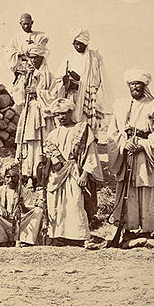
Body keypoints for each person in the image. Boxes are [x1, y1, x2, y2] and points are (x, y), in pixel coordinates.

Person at [107, 68, 154, 241]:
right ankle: (127, 228)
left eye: (139, 84)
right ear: (128, 86)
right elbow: (113, 132)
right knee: (128, 189)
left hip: (145, 154)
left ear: (145, 86)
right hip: (126, 152)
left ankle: (148, 230)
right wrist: (123, 143)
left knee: (146, 187)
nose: (136, 87)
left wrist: (143, 145)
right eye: (133, 84)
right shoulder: (120, 105)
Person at [43, 98, 104, 246]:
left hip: (75, 173)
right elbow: (48, 155)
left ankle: (79, 236)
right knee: (57, 204)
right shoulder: (53, 134)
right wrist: (54, 162)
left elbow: (91, 153)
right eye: (57, 115)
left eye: (63, 113)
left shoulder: (82, 129)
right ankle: (58, 236)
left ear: (70, 112)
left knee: (75, 202)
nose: (61, 117)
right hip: (57, 174)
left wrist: (85, 174)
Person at [11, 44, 58, 189]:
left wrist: (38, 92)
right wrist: (25, 82)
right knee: (28, 143)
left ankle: (41, 175)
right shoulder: (26, 74)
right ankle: (28, 175)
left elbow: (54, 95)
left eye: (35, 58)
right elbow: (18, 95)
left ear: (41, 58)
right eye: (30, 58)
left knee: (41, 144)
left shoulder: (49, 75)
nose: (33, 61)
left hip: (42, 114)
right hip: (29, 112)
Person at [55, 29, 112, 139]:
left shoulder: (95, 58)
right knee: (72, 124)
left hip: (89, 96)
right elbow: (57, 78)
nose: (79, 47)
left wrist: (90, 89)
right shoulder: (69, 57)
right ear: (73, 44)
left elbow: (102, 79)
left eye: (81, 44)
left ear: (86, 44)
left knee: (87, 125)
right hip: (72, 96)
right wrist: (65, 81)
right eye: (76, 44)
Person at [0, 164, 43, 246]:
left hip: (20, 223)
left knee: (38, 211)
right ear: (4, 178)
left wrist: (22, 205)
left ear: (18, 177)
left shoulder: (25, 192)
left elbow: (29, 209)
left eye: (13, 177)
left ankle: (25, 240)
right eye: (8, 177)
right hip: (3, 221)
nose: (10, 180)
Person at [4, 13, 50, 86]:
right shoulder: (16, 38)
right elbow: (8, 51)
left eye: (28, 24)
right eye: (24, 24)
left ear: (32, 23)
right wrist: (20, 53)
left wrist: (33, 50)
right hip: (21, 68)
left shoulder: (39, 36)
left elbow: (42, 50)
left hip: (36, 67)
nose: (26, 26)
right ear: (20, 23)